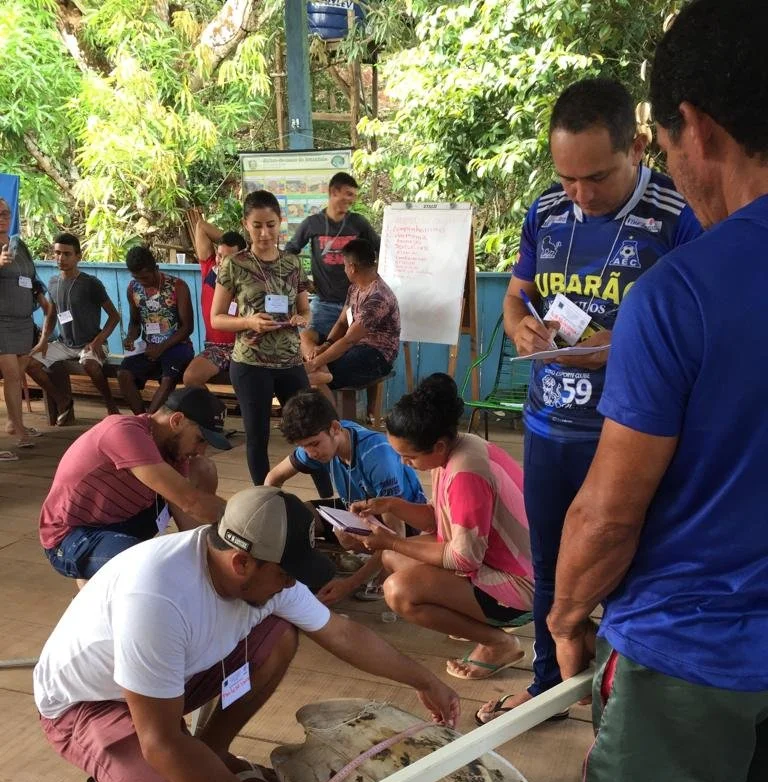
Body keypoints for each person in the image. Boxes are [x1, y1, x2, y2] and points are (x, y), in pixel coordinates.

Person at [547, 5, 768, 782]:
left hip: (691, 655)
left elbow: (607, 512)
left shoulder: (680, 292)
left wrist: (565, 611)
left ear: (693, 128)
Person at [33, 486, 460, 782]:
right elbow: (161, 742)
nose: (292, 584)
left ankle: (212, 751)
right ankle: (113, 779)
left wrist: (424, 680)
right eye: (286, 575)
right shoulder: (157, 598)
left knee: (279, 635)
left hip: (167, 680)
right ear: (241, 563)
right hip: (90, 703)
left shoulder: (260, 565)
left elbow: (342, 634)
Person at [493, 76, 701, 722]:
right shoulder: (546, 213)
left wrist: (618, 346)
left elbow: (694, 327)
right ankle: (548, 685)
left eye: (597, 178)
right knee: (552, 563)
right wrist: (519, 324)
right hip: (550, 426)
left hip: (631, 436)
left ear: (638, 146)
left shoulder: (678, 215)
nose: (580, 194)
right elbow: (516, 294)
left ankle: (615, 710)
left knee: (628, 573)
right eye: (567, 179)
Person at [353, 374, 533, 682]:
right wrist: (391, 505)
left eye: (409, 456)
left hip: (524, 588)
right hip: (505, 565)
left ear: (437, 445)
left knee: (399, 592)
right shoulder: (461, 447)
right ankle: (473, 620)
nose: (405, 463)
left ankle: (498, 643)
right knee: (393, 560)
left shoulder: (466, 473)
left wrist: (392, 541)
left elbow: (464, 559)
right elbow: (439, 520)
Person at [40, 386, 230, 585]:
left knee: (202, 467)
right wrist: (246, 524)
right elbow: (190, 501)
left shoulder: (172, 448)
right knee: (146, 566)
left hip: (123, 518)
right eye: (200, 439)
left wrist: (210, 557)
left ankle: (108, 561)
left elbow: (187, 514)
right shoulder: (123, 431)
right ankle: (95, 580)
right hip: (73, 536)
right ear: (177, 421)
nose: (201, 450)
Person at [265, 389, 426, 604]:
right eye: (303, 446)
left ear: (335, 428)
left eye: (313, 444)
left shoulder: (378, 456)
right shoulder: (320, 441)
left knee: (384, 550)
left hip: (405, 522)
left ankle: (384, 570)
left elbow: (395, 535)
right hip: (359, 508)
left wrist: (350, 584)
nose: (311, 453)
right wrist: (265, 521)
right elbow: (273, 479)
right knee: (300, 515)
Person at [211, 190, 311, 485]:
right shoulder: (234, 264)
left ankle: (330, 499)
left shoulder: (293, 263)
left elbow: (305, 308)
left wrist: (301, 318)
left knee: (310, 432)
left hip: (291, 361)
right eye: (257, 225)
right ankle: (264, 498)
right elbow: (217, 318)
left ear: (281, 222)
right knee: (258, 437)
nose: (265, 233)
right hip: (250, 363)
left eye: (271, 224)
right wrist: (248, 321)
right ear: (246, 225)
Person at [25, 232, 121, 424]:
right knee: (29, 363)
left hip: (91, 342)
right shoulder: (53, 282)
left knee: (89, 364)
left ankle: (111, 406)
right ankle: (63, 401)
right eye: (57, 253)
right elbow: (51, 315)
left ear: (78, 256)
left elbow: (114, 317)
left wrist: (97, 342)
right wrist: (43, 341)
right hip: (64, 344)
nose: (61, 258)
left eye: (67, 254)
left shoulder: (91, 284)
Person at [301, 238, 400, 417]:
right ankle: (321, 372)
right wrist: (325, 345)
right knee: (307, 335)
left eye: (345, 265)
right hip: (352, 345)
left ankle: (332, 417)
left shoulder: (378, 297)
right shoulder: (355, 288)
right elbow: (341, 323)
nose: (344, 269)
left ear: (352, 267)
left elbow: (348, 340)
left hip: (375, 355)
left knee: (314, 375)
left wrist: (315, 362)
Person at [284, 172, 379, 339]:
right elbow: (289, 252)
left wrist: (370, 278)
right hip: (323, 303)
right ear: (334, 192)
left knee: (352, 350)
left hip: (354, 303)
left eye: (354, 196)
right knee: (306, 341)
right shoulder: (313, 223)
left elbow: (381, 249)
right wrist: (303, 279)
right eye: (348, 193)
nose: (351, 199)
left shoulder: (358, 223)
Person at [0, 196, 55, 457]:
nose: (3, 218)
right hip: (1, 321)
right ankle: (17, 425)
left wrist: (42, 299)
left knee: (20, 371)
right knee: (11, 374)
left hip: (23, 320)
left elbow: (31, 275)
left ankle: (15, 420)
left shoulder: (18, 244)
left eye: (6, 213)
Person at [118, 246, 194, 414]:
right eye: (137, 277)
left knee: (168, 379)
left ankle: (148, 421)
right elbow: (135, 322)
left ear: (156, 269)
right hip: (148, 346)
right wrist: (131, 337)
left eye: (145, 277)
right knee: (123, 374)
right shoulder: (133, 289)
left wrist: (161, 348)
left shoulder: (177, 287)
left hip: (177, 345)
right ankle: (141, 417)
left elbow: (187, 327)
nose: (142, 282)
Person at [182, 215, 246, 388]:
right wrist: (229, 240)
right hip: (216, 348)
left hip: (245, 347)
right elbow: (201, 226)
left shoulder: (249, 280)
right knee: (190, 377)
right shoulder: (210, 270)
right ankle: (216, 412)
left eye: (228, 258)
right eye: (219, 255)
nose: (221, 261)